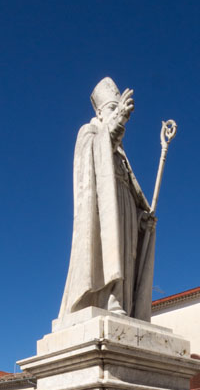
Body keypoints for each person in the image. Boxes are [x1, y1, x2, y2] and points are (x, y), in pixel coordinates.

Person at [58, 76, 157, 322]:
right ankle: (106, 297)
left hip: (123, 204)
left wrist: (141, 214)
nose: (118, 113)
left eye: (118, 109)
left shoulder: (121, 154)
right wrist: (119, 120)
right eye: (112, 108)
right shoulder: (89, 132)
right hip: (104, 208)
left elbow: (132, 187)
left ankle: (122, 300)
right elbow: (96, 155)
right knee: (107, 247)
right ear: (100, 113)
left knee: (127, 255)